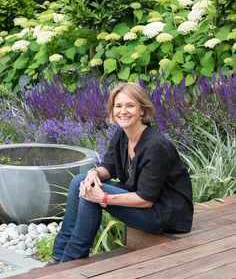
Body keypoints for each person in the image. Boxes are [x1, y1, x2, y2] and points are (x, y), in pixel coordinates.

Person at [47, 82, 193, 265]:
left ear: (142, 110)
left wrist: (104, 197)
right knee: (80, 181)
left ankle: (69, 261)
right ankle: (56, 258)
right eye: (118, 106)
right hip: (143, 201)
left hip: (163, 213)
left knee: (93, 196)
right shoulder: (121, 135)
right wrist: (93, 173)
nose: (123, 111)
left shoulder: (156, 146)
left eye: (130, 105)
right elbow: (109, 167)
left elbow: (146, 199)